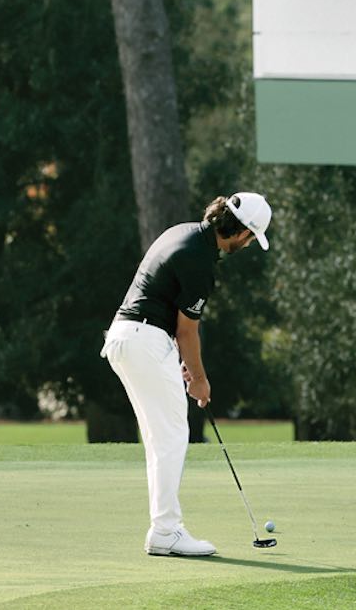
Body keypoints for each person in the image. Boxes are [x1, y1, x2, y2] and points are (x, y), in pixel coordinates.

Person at [101, 192, 272, 558]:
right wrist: (199, 378)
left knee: (161, 437)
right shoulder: (201, 262)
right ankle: (165, 530)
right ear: (241, 233)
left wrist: (181, 363)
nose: (248, 245)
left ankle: (164, 528)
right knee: (173, 435)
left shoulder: (185, 233)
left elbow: (172, 319)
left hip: (128, 337)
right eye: (252, 239)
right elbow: (187, 331)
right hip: (144, 339)